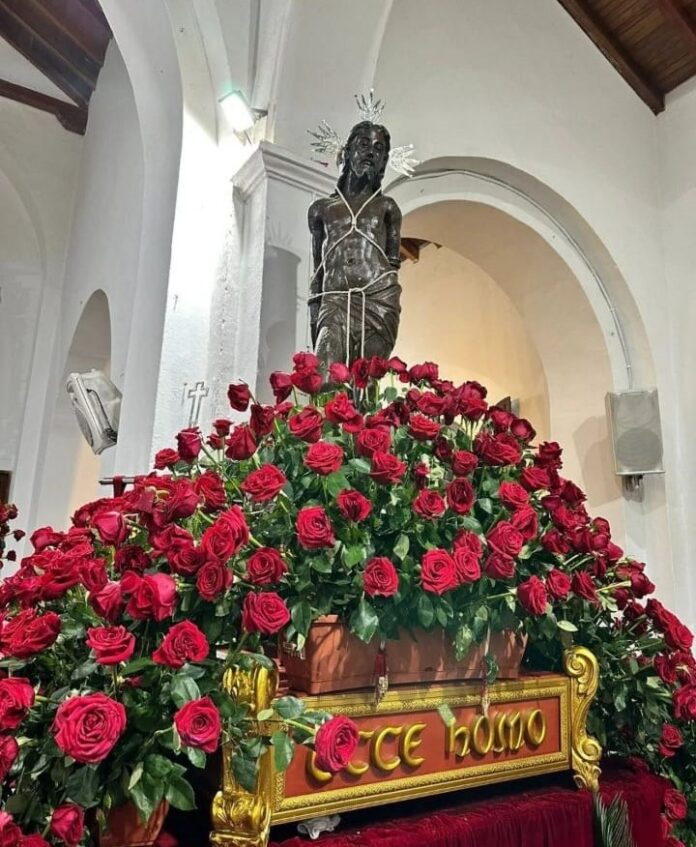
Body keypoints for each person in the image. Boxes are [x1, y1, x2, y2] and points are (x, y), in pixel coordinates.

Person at [308, 121, 402, 370]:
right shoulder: (321, 209)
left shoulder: (388, 208)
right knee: (324, 379)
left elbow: (393, 264)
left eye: (379, 149)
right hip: (334, 301)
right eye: (363, 144)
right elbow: (318, 272)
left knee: (365, 386)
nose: (371, 152)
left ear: (383, 162)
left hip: (378, 301)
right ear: (347, 152)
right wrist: (314, 315)